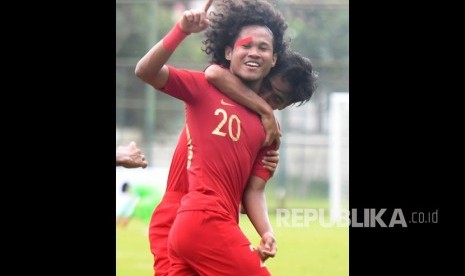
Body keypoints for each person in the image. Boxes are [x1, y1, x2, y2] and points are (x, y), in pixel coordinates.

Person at [135, 0, 310, 274]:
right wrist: (182, 29)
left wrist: (266, 231)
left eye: (277, 100)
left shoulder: (268, 131)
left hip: (217, 219)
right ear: (229, 52)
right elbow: (212, 73)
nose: (265, 99)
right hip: (187, 212)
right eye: (268, 90)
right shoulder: (212, 87)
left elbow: (253, 191)